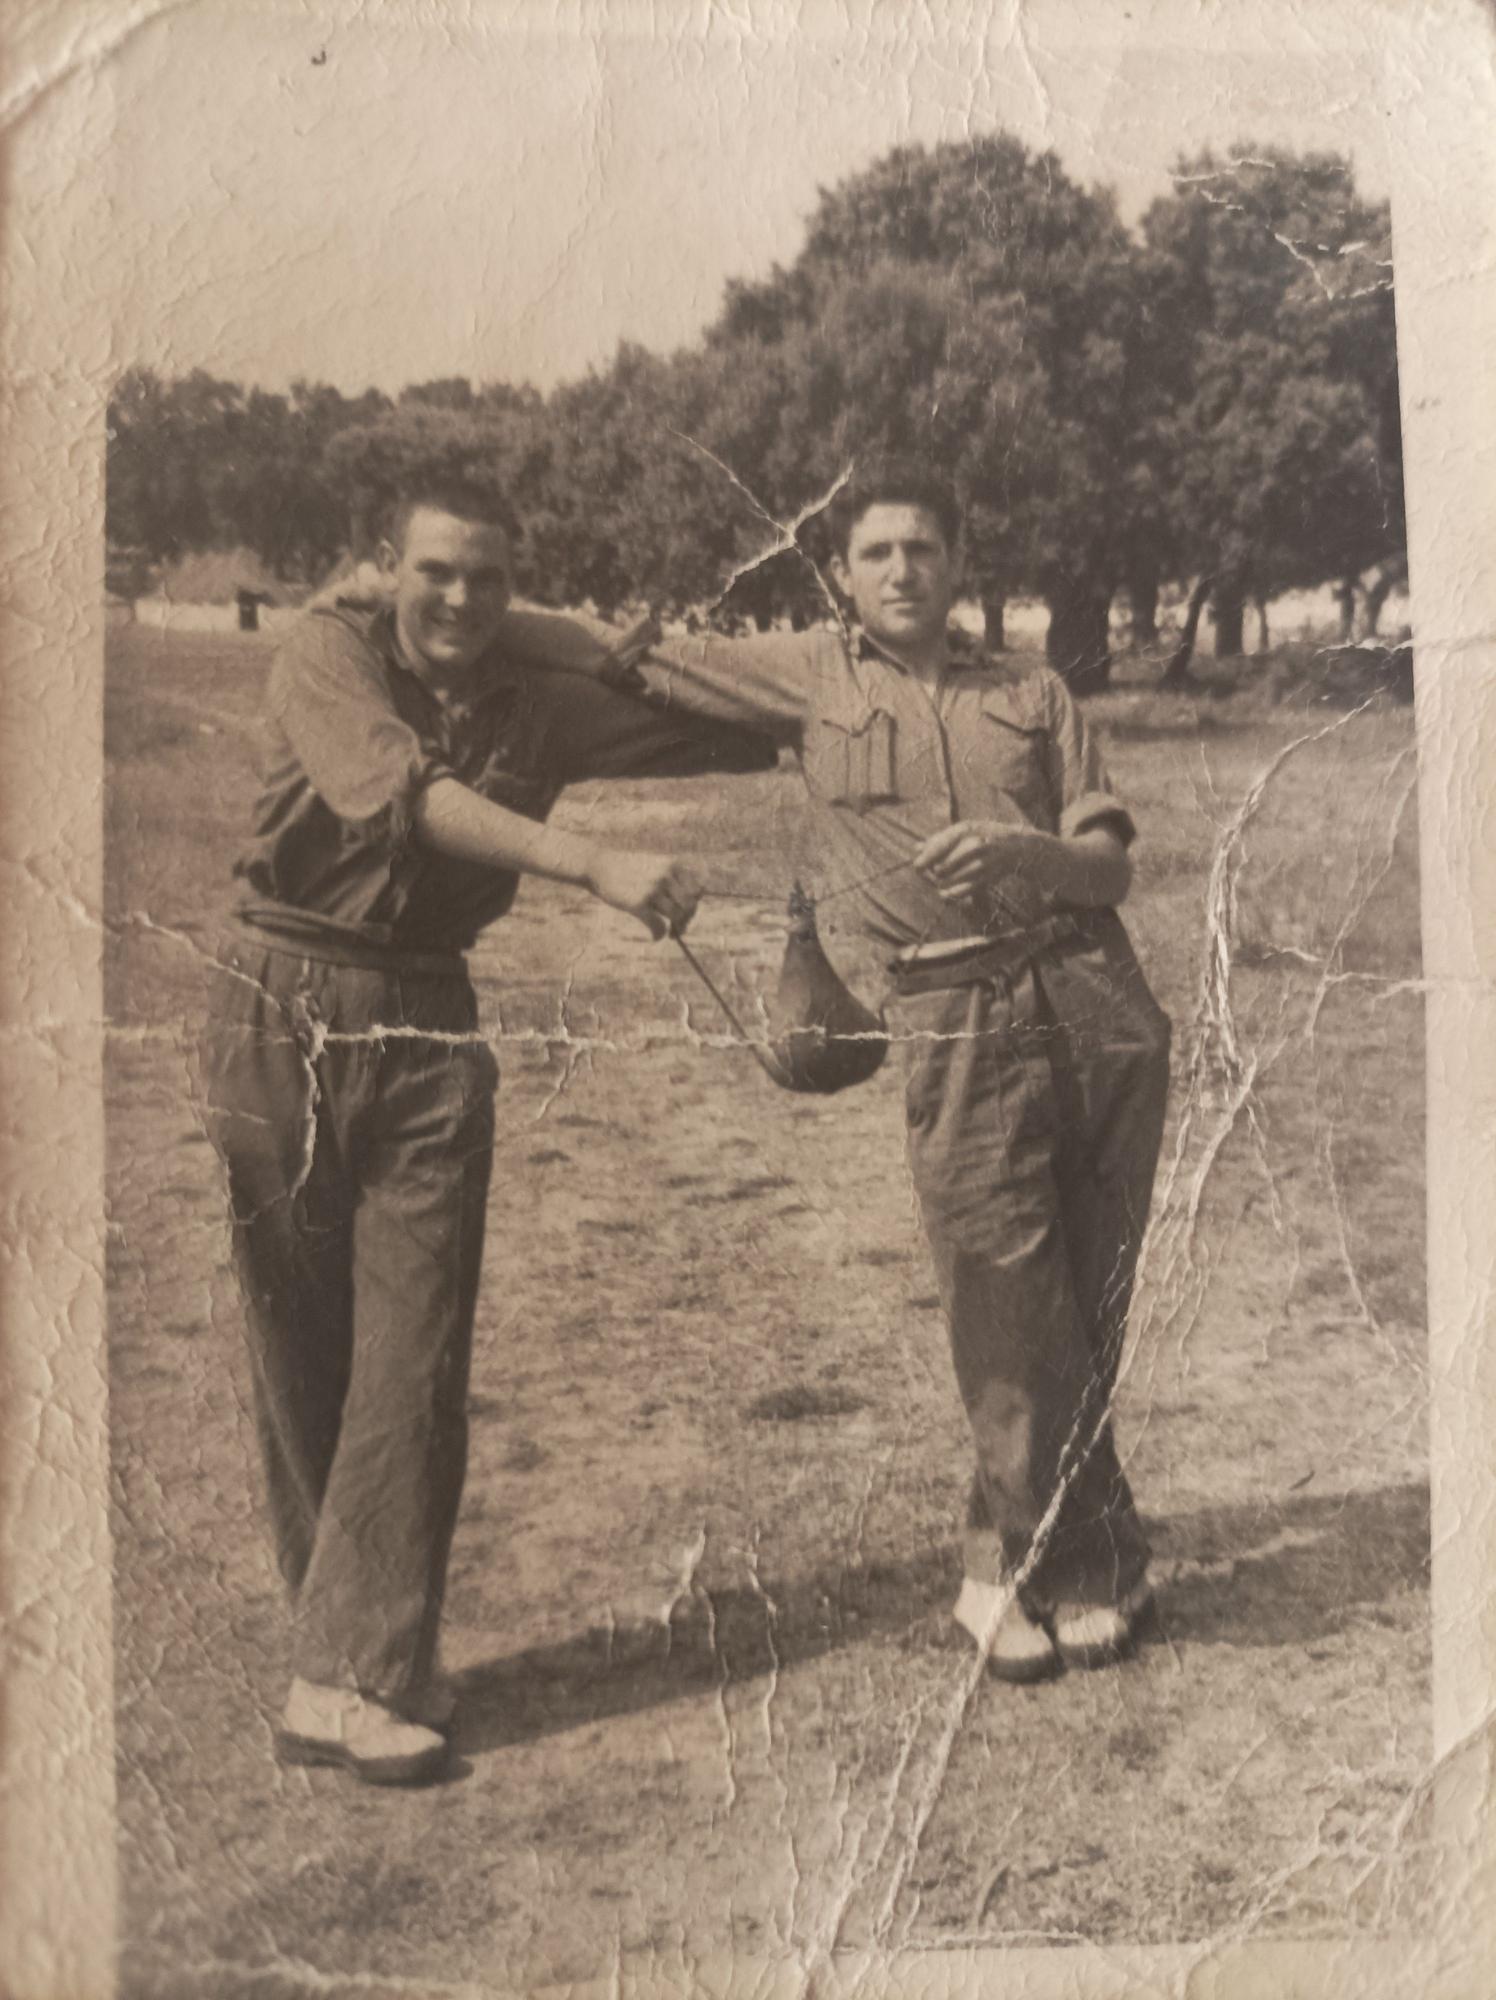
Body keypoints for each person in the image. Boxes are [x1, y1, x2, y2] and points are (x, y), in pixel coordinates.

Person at [199, 476, 775, 1785]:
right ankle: (337, 1657)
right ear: (378, 572)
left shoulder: (537, 692)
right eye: (435, 573)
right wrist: (595, 865)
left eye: (489, 580)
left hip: (424, 1022)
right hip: (274, 998)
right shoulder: (323, 651)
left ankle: (361, 1676)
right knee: (304, 1348)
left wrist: (850, 706)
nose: (458, 600)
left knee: (415, 1353)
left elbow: (701, 706)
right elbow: (396, 796)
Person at [598, 462, 1172, 1683]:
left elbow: (1109, 867)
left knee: (1087, 1291)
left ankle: (1053, 1562)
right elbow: (632, 652)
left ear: (958, 561)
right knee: (1003, 1296)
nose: (901, 569)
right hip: (953, 1008)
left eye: (922, 546)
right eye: (875, 553)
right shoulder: (807, 679)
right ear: (842, 576)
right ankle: (1024, 1565)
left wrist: (1030, 848)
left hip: (1090, 991)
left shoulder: (1032, 688)